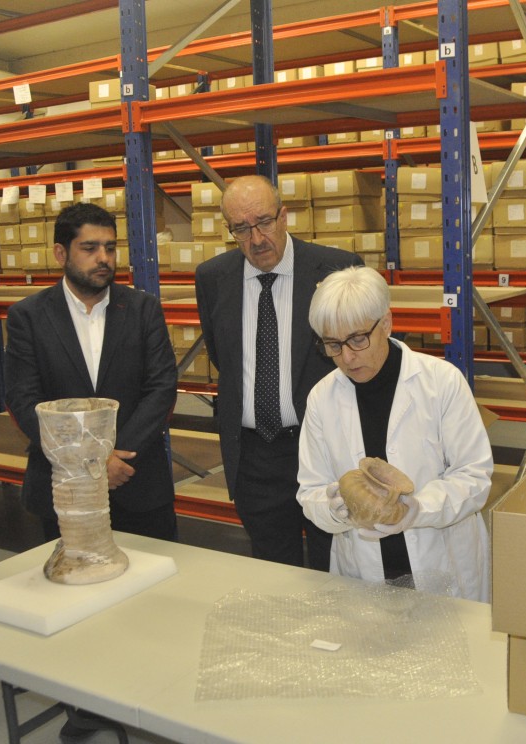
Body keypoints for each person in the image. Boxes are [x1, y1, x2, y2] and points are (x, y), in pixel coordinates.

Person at [296, 266, 493, 601]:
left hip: (441, 561)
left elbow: (474, 478)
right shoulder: (321, 398)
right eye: (332, 344)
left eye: (357, 339)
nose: (346, 357)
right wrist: (336, 509)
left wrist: (416, 509)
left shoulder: (441, 382)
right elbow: (310, 490)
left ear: (385, 323)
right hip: (364, 569)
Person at [195, 175, 361, 570]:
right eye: (241, 228)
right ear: (230, 230)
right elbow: (223, 356)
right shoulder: (213, 278)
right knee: (274, 572)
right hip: (256, 457)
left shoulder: (337, 269)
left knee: (335, 566)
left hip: (324, 449)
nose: (255, 239)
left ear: (284, 216)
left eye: (264, 222)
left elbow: (362, 358)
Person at [5, 201, 179, 543]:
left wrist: (115, 456)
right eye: (90, 248)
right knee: (70, 590)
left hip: (136, 479)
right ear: (60, 253)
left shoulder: (143, 310)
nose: (104, 258)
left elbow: (161, 388)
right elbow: (25, 400)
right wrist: (91, 463)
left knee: (153, 588)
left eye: (110, 248)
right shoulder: (28, 317)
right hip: (64, 488)